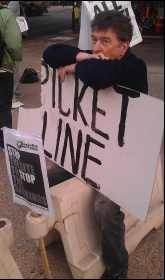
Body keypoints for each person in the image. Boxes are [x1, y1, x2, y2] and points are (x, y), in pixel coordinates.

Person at [42, 10, 148, 279]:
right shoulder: (96, 56)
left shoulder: (134, 68)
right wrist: (82, 55)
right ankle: (53, 230)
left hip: (122, 157)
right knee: (43, 175)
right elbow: (50, 53)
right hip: (88, 151)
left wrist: (76, 65)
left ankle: (117, 269)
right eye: (96, 40)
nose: (97, 47)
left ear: (123, 47)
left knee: (105, 209)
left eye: (105, 42)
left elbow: (98, 76)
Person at [0, 1, 22, 151]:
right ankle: (4, 142)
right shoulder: (5, 14)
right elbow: (14, 44)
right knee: (5, 107)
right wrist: (16, 58)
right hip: (3, 68)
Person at [7, 1, 23, 101]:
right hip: (8, 34)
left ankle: (11, 95)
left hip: (12, 36)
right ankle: (17, 90)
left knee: (13, 66)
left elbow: (7, 13)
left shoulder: (13, 2)